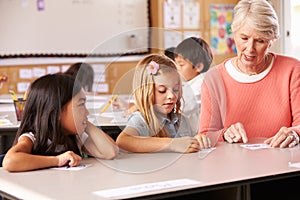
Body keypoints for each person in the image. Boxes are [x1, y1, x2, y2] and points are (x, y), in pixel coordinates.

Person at [198, 0, 300, 148]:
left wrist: (295, 133)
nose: (250, 49)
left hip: (284, 167)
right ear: (234, 34)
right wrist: (225, 133)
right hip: (233, 168)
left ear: (271, 41)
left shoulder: (292, 70)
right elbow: (206, 135)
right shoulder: (214, 79)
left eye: (260, 41)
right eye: (244, 38)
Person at [2, 74, 118, 172]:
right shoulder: (33, 137)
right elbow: (10, 161)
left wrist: (85, 123)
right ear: (56, 112)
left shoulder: (75, 138)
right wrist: (57, 160)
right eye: (81, 105)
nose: (87, 112)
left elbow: (110, 152)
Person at [116, 54, 210, 153]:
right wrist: (172, 144)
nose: (172, 96)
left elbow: (187, 144)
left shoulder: (182, 120)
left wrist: (197, 140)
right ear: (146, 93)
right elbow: (123, 141)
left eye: (176, 89)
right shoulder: (141, 120)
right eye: (162, 90)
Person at [174, 37, 213, 133]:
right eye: (176, 64)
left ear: (198, 67)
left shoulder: (201, 84)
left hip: (197, 134)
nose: (176, 68)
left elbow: (182, 106)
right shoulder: (190, 82)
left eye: (181, 65)